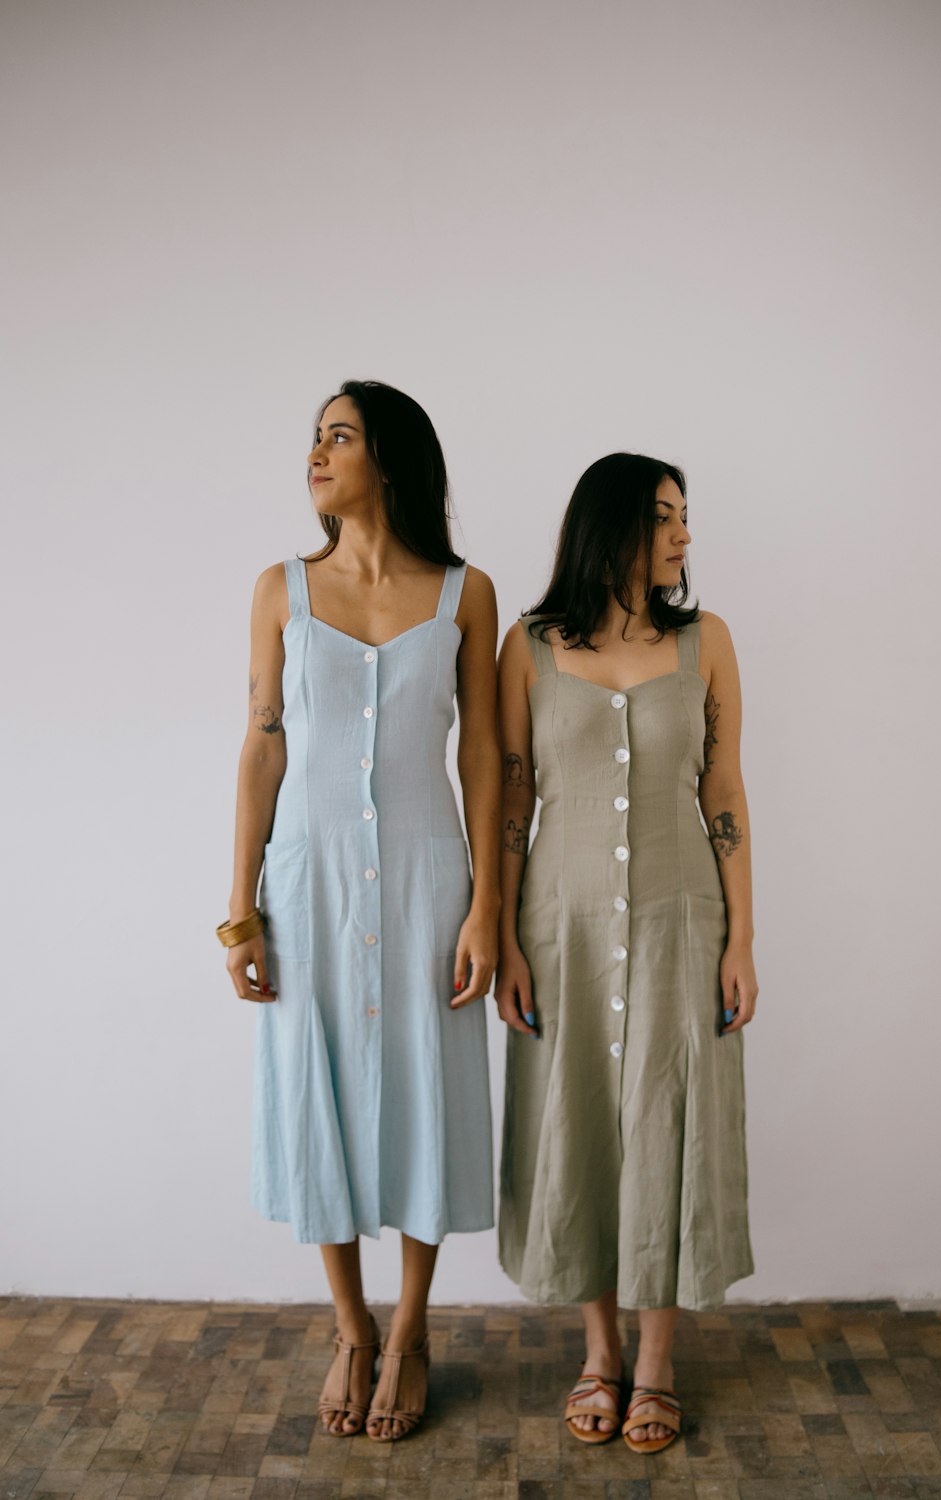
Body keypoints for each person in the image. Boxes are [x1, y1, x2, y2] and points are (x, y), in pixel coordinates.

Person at [218, 380, 500, 1441]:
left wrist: (488, 906)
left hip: (432, 877)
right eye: (313, 438)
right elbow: (262, 745)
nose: (316, 454)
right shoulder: (279, 589)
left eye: (338, 437)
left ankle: (416, 1327)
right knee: (317, 1089)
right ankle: (349, 1325)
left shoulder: (463, 593)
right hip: (310, 876)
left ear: (389, 458)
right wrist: (238, 910)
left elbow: (481, 757)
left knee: (427, 1087)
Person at [495, 452, 757, 1455]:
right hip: (560, 928)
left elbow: (723, 793)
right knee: (582, 1125)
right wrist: (504, 935)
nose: (684, 535)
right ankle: (596, 1349)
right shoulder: (527, 647)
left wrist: (742, 938)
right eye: (664, 516)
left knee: (666, 1116)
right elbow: (512, 799)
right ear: (612, 526)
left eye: (686, 517)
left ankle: (655, 1361)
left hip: (679, 922)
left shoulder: (706, 642)